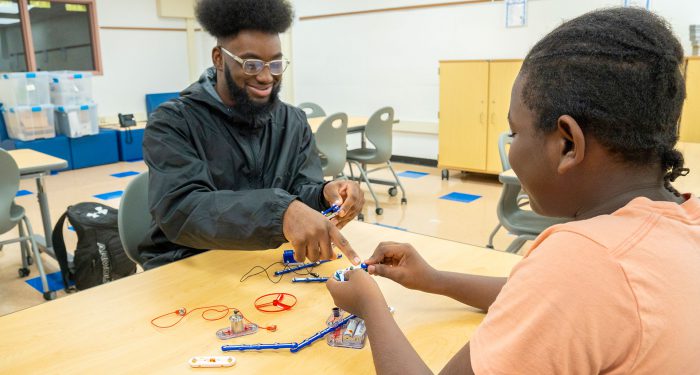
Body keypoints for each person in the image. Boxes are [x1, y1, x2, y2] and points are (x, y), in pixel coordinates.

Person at [327, 7, 700, 374]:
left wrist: (370, 305)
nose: (512, 147)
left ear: (568, 144)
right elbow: (536, 296)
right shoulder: (686, 220)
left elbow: (562, 289)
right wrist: (435, 280)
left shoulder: (582, 263)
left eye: (515, 132)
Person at [139, 0, 363, 270]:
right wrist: (280, 213)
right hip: (189, 262)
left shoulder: (292, 121)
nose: (267, 77)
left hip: (264, 263)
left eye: (276, 64)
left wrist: (325, 194)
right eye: (252, 64)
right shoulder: (173, 122)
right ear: (219, 59)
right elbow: (182, 210)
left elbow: (300, 191)